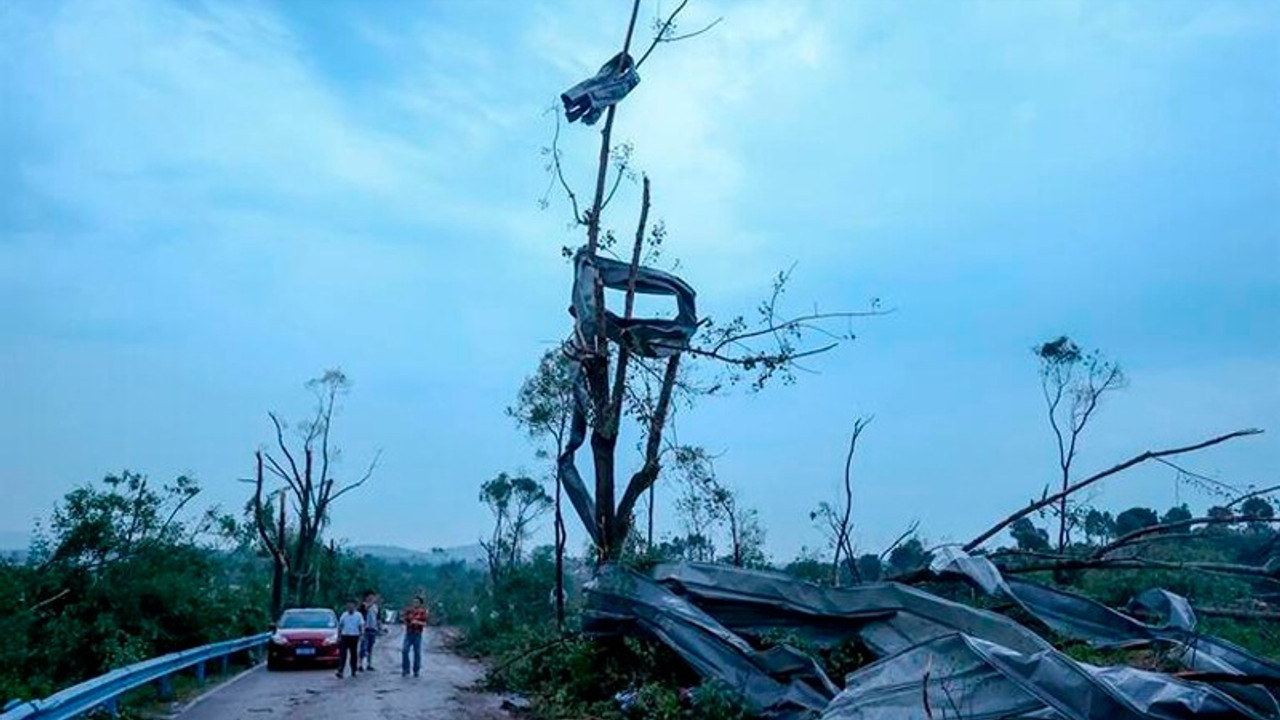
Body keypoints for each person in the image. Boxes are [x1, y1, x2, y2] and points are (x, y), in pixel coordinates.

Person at [401, 595, 429, 678]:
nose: (415, 603)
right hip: (409, 633)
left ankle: (416, 670)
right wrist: (407, 622)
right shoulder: (409, 611)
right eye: (414, 602)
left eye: (417, 602)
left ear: (420, 603)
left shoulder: (423, 612)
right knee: (404, 650)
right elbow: (404, 620)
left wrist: (416, 622)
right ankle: (406, 669)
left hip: (417, 634)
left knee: (417, 652)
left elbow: (425, 623)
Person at [336, 600, 364, 679]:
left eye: (351, 606)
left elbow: (361, 626)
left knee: (353, 654)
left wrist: (362, 635)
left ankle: (353, 670)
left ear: (354, 607)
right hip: (345, 636)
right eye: (348, 606)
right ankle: (340, 670)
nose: (350, 608)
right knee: (343, 654)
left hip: (354, 636)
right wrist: (338, 636)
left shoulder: (358, 615)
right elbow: (340, 626)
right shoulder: (344, 615)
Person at [360, 591, 381, 670]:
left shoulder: (376, 607)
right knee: (363, 647)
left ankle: (369, 664)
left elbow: (378, 618)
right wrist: (372, 602)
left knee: (370, 647)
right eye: (370, 596)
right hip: (365, 629)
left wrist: (379, 627)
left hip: (373, 629)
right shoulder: (363, 605)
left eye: (372, 596)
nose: (371, 598)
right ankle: (360, 664)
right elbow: (365, 610)